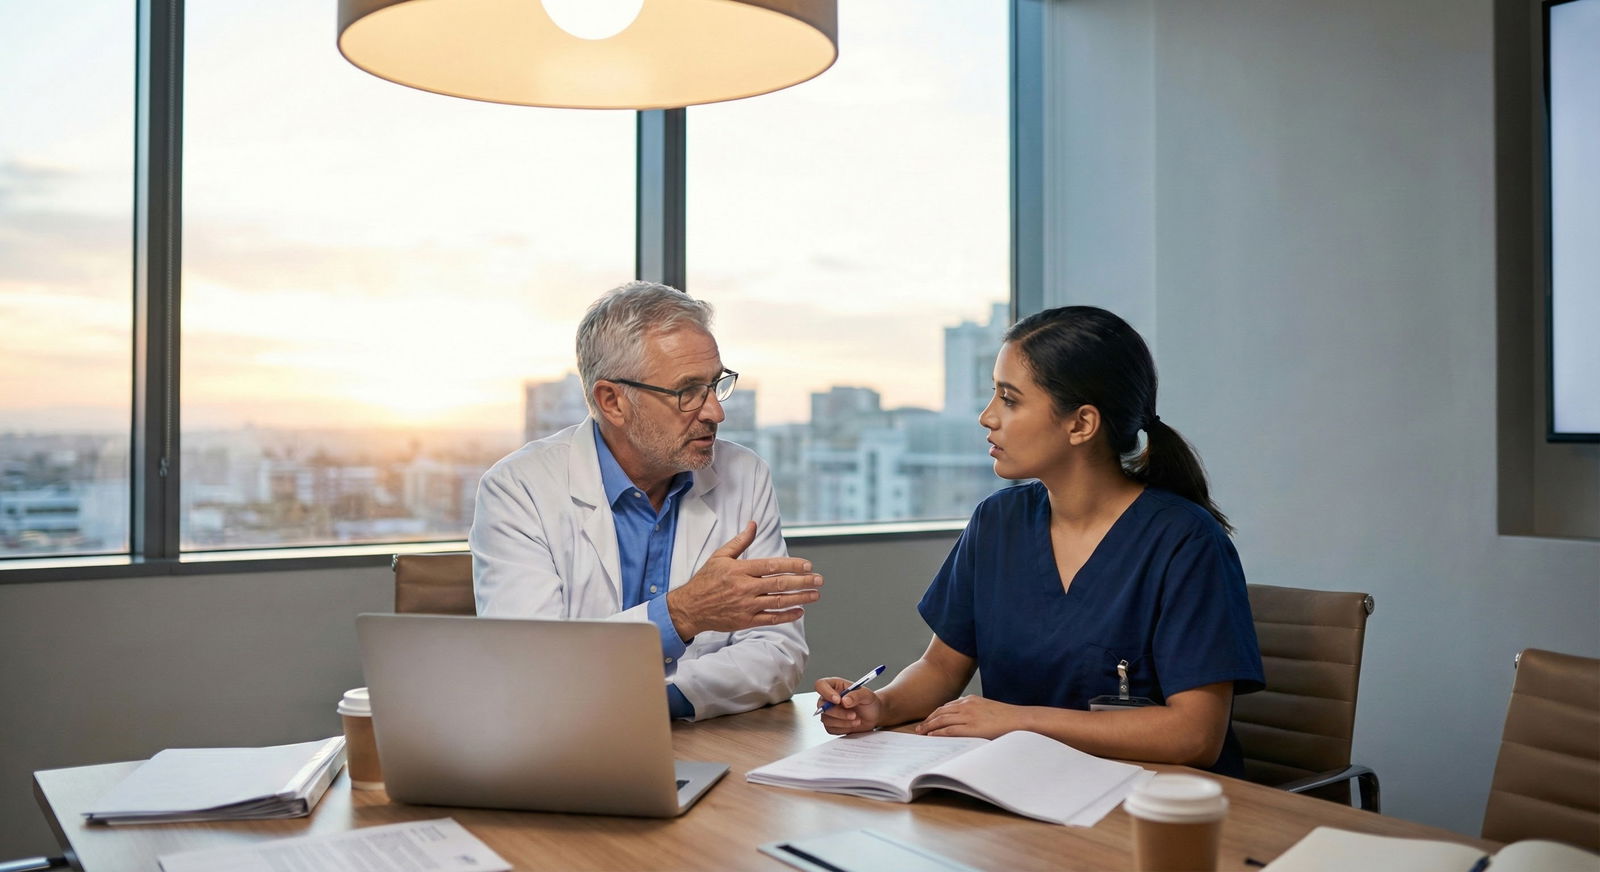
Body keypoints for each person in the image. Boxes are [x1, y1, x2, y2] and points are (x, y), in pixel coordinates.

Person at [815, 306, 1263, 776]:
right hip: (1021, 786)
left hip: (1154, 805)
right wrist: (879, 707)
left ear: (1081, 424)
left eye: (1009, 400)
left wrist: (1016, 722)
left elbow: (1195, 736)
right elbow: (942, 668)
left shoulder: (1185, 542)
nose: (988, 417)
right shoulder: (997, 522)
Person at [471, 281, 821, 721]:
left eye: (716, 385)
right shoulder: (519, 488)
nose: (715, 412)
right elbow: (530, 665)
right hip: (561, 750)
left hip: (702, 741)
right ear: (612, 401)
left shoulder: (744, 474)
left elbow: (777, 654)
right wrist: (682, 614)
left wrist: (649, 700)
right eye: (688, 391)